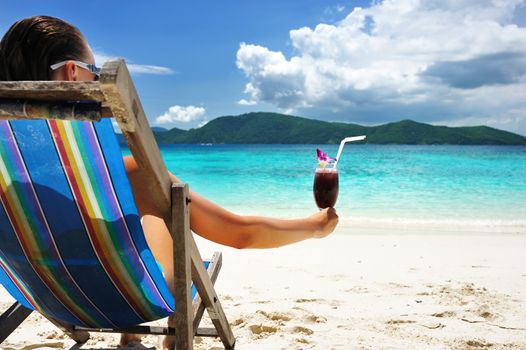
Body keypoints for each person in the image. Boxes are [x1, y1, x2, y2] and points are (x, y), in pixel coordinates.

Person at [0, 15, 338, 347]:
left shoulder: (8, 182)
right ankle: (157, 336)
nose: (95, 78)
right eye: (94, 71)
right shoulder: (129, 174)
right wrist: (315, 226)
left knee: (108, 221)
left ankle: (129, 336)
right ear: (73, 73)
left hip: (48, 297)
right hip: (137, 298)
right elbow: (241, 234)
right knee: (161, 199)